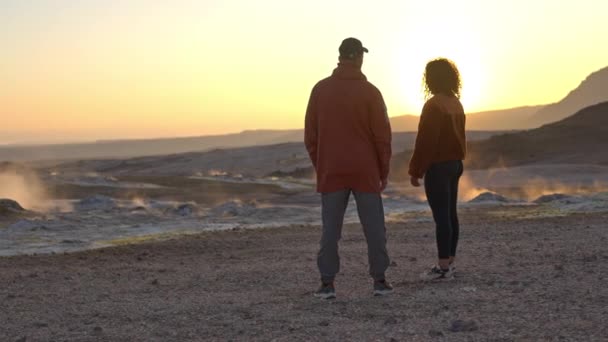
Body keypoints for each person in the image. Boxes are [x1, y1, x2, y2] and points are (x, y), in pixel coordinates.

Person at [305, 38, 393, 299]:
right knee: (374, 227)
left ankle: (327, 283)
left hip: (332, 169)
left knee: (330, 229)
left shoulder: (320, 90)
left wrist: (322, 165)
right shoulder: (371, 92)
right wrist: (383, 171)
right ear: (358, 58)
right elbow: (382, 138)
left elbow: (311, 136)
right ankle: (379, 280)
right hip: (365, 170)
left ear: (341, 57)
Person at [408, 58, 466, 281]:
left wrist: (416, 170)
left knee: (441, 217)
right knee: (451, 214)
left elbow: (426, 141)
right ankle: (449, 262)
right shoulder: (456, 103)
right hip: (455, 164)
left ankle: (442, 268)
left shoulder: (434, 105)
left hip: (439, 167)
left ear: (430, 79)